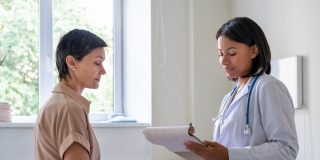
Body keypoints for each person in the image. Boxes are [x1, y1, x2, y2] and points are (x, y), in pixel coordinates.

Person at [184, 17, 299, 160]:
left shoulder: (268, 87)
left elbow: (286, 150)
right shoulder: (228, 97)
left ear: (254, 51)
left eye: (232, 53)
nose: (224, 61)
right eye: (220, 54)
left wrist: (229, 155)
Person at [34, 29, 107, 160]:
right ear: (71, 62)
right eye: (97, 63)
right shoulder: (69, 109)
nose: (103, 71)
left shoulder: (57, 102)